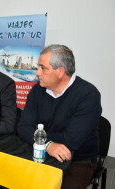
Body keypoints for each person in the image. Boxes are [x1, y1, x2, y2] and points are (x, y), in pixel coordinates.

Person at [17, 44, 102, 189]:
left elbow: (72, 141)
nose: (37, 72)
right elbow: (23, 127)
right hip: (40, 151)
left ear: (60, 72)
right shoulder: (37, 90)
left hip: (78, 160)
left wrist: (38, 136)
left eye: (43, 68)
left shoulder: (88, 95)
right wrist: (47, 145)